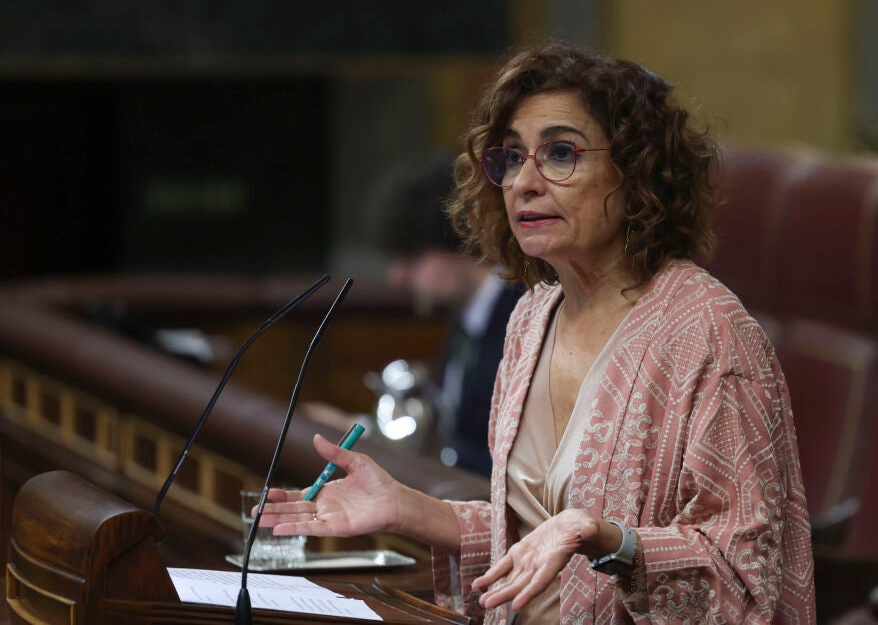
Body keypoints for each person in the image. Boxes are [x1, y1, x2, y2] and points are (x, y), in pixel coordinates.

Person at [260, 41, 815, 623]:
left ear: (637, 171)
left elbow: (743, 582)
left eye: (560, 153)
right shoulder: (532, 315)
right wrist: (407, 508)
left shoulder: (710, 334)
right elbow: (532, 538)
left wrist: (606, 538)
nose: (524, 181)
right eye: (511, 157)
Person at [376, 151, 522, 476]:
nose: (397, 277)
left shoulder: (521, 317)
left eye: (411, 257)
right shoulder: (466, 319)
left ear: (457, 238)